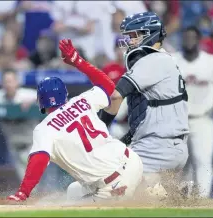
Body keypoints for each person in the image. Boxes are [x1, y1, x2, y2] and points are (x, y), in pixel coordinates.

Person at [61, 12, 189, 190]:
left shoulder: (152, 60)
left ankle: (165, 191)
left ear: (150, 34)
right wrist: (127, 137)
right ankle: (170, 190)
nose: (130, 41)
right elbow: (151, 111)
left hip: (156, 147)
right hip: (167, 145)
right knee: (140, 194)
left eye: (135, 36)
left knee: (107, 189)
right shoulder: (163, 60)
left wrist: (101, 126)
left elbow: (115, 95)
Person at [7, 40, 143, 202]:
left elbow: (39, 160)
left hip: (113, 186)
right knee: (73, 191)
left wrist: (23, 192)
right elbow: (107, 85)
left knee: (59, 208)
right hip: (133, 161)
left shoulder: (44, 129)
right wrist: (78, 61)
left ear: (41, 102)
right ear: (64, 95)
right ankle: (154, 192)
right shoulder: (83, 99)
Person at [173, 26, 213, 198]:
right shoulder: (172, 60)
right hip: (177, 120)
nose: (189, 41)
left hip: (203, 119)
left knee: (203, 160)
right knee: (180, 164)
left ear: (199, 40)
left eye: (193, 38)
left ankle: (201, 200)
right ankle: (182, 201)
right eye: (186, 38)